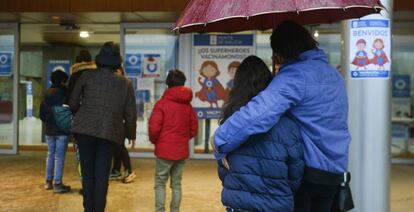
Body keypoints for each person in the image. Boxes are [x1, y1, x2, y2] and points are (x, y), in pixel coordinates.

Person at [213, 20, 351, 212]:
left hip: (310, 173)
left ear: (283, 51)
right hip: (335, 172)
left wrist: (220, 139)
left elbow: (258, 113)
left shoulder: (296, 76)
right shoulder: (333, 74)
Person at [217, 55, 304, 211]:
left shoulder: (230, 123)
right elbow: (295, 172)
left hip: (239, 205)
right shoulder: (287, 124)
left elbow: (224, 171)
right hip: (276, 206)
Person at [69, 42, 137, 212]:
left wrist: (84, 112)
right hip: (109, 133)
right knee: (101, 176)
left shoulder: (87, 76)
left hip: (84, 131)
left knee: (87, 174)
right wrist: (130, 134)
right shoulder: (125, 83)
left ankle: (88, 209)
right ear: (117, 61)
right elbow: (130, 113)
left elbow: (73, 103)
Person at [149, 70, 198, 212]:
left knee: (160, 183)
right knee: (176, 184)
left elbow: (154, 128)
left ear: (167, 84)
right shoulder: (188, 105)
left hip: (164, 151)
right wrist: (182, 139)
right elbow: (193, 129)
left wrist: (157, 141)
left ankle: (160, 210)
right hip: (181, 150)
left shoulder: (161, 104)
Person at [67, 49, 97, 195]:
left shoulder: (74, 76)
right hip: (96, 119)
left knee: (82, 155)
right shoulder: (95, 75)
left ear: (77, 62)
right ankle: (96, 184)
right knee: (96, 153)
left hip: (79, 121)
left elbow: (70, 101)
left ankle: (86, 185)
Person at [39, 69, 71, 193]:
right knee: (59, 156)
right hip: (61, 129)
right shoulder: (65, 93)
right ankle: (58, 184)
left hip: (49, 129)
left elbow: (42, 113)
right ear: (63, 81)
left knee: (50, 154)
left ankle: (48, 182)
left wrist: (47, 121)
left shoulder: (47, 93)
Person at [109, 67, 136, 184]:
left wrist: (131, 132)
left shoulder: (125, 84)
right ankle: (116, 169)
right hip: (111, 122)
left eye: (118, 71)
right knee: (115, 147)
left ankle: (129, 170)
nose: (116, 74)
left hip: (120, 123)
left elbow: (130, 110)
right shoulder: (112, 84)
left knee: (119, 146)